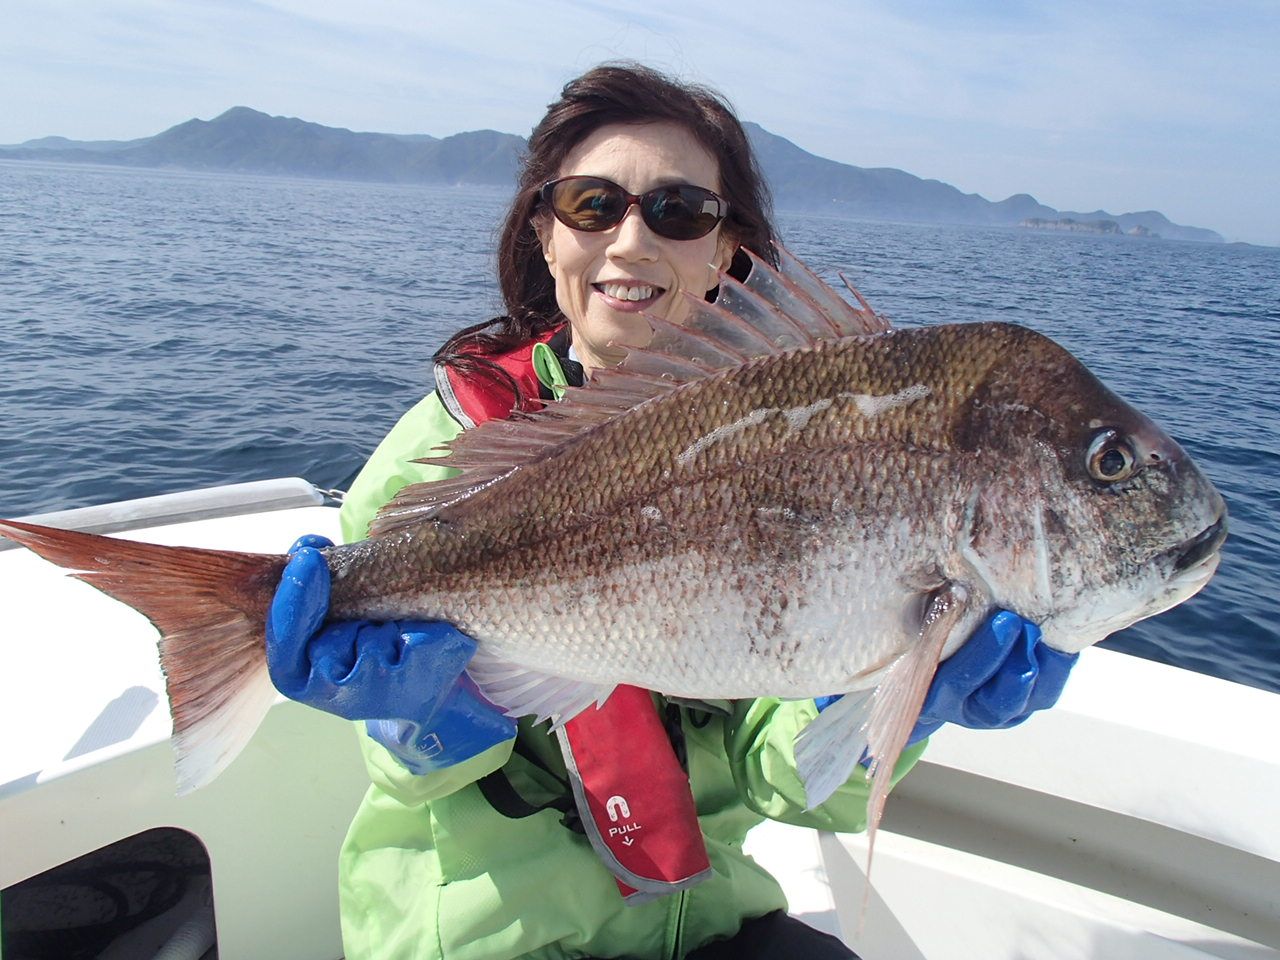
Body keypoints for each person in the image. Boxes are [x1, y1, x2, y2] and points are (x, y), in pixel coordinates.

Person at [265, 63, 1077, 960]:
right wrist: (420, 717)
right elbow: (415, 784)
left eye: (679, 210)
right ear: (544, 233)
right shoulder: (438, 460)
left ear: (726, 250)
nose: (630, 239)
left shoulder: (787, 440)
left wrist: (912, 699)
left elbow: (785, 780)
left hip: (713, 922)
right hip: (485, 935)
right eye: (590, 203)